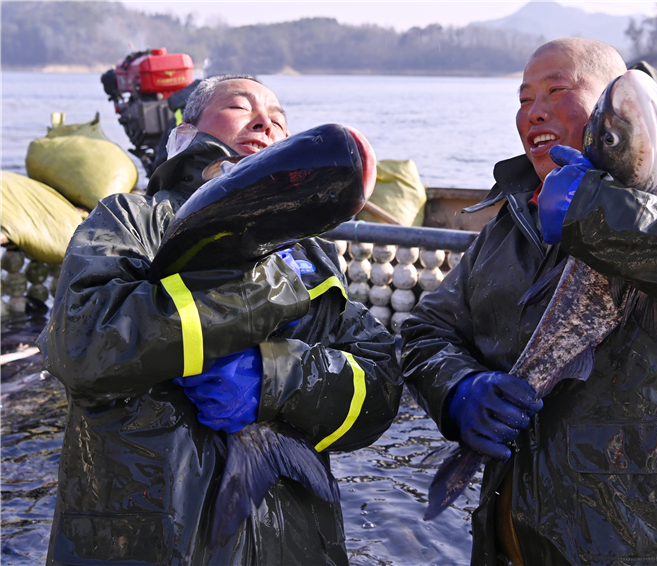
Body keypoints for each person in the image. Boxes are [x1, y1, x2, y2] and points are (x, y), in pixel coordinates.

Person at [401, 38, 657, 565]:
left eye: (556, 90)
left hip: (648, 545)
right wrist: (459, 389)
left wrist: (596, 207)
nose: (533, 111)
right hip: (508, 539)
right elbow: (428, 330)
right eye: (523, 99)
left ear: (610, 99)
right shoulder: (510, 221)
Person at [38, 75, 402, 565]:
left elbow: (381, 382)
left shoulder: (312, 257)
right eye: (239, 106)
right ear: (186, 134)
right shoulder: (134, 219)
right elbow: (81, 343)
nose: (264, 122)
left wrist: (279, 377)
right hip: (151, 542)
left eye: (278, 119)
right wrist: (263, 290)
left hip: (293, 546)